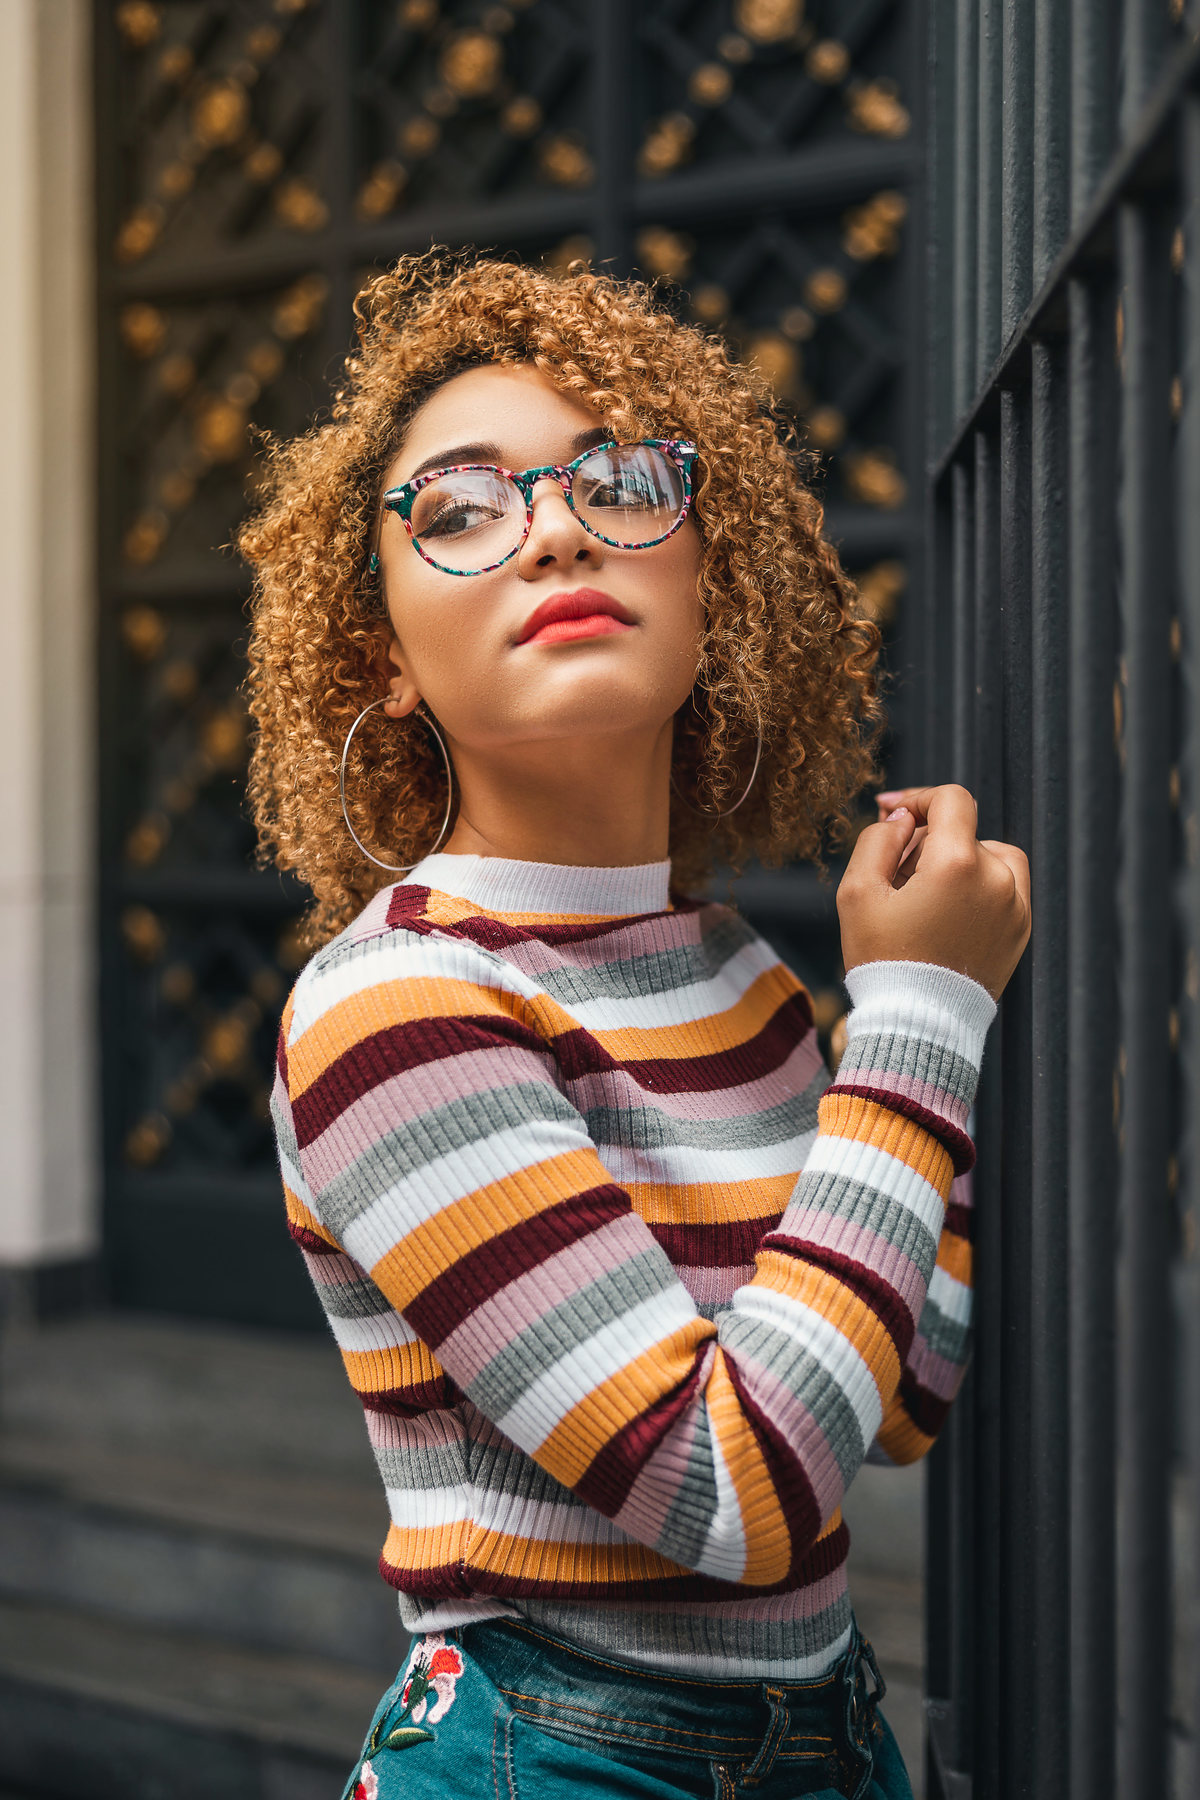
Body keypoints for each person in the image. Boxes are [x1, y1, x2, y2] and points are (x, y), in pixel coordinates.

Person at [241, 249, 1030, 1800]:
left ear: (706, 578)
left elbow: (908, 1397)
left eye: (617, 484)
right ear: (380, 661)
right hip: (552, 1754)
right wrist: (924, 1014)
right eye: (460, 508)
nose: (548, 527)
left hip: (832, 1736)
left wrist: (918, 1030)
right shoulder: (394, 1005)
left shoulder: (736, 970)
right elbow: (734, 1492)